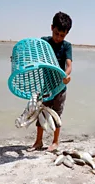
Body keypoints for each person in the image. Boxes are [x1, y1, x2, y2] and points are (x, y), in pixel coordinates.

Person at [28, 11, 73, 152]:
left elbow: (69, 65)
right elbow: (36, 59)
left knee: (56, 115)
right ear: (52, 27)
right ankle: (38, 141)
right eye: (56, 33)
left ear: (66, 34)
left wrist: (65, 76)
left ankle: (55, 142)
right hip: (45, 87)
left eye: (62, 35)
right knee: (41, 113)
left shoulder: (67, 46)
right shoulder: (44, 42)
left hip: (60, 88)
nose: (59, 38)